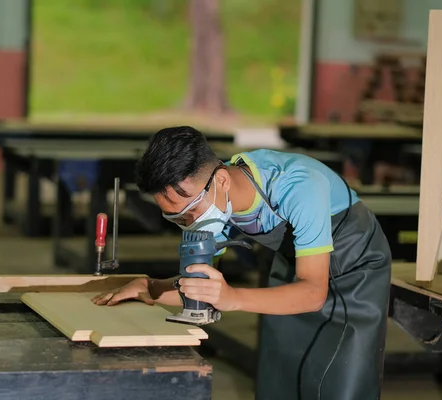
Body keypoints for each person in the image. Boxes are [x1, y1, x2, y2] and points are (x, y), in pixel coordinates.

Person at [91, 126, 392, 400]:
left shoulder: (298, 186)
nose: (190, 224)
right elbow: (201, 287)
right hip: (293, 263)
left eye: (191, 212)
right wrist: (151, 288)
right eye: (178, 218)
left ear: (220, 180)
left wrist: (233, 298)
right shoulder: (217, 203)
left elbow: (313, 293)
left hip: (355, 268)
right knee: (280, 378)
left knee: (340, 381)